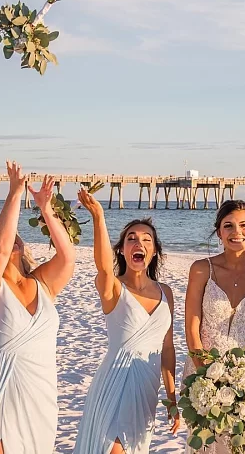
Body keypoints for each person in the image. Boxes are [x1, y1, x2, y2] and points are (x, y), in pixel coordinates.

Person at [0, 161, 76, 454]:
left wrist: (46, 209)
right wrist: (14, 193)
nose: (12, 239)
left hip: (40, 387)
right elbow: (0, 249)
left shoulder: (43, 283)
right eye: (1, 235)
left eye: (16, 236)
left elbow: (68, 257)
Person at [74, 189, 179, 454]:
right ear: (121, 250)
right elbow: (103, 267)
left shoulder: (166, 292)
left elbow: (168, 349)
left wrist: (171, 398)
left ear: (153, 251)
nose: (138, 243)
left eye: (146, 239)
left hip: (147, 386)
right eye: (131, 239)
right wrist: (99, 217)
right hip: (115, 380)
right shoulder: (113, 288)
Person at [183, 200, 245, 453]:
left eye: (244, 225)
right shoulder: (202, 269)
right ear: (219, 232)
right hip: (201, 370)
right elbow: (192, 326)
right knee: (205, 444)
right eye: (229, 226)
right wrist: (205, 376)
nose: (237, 232)